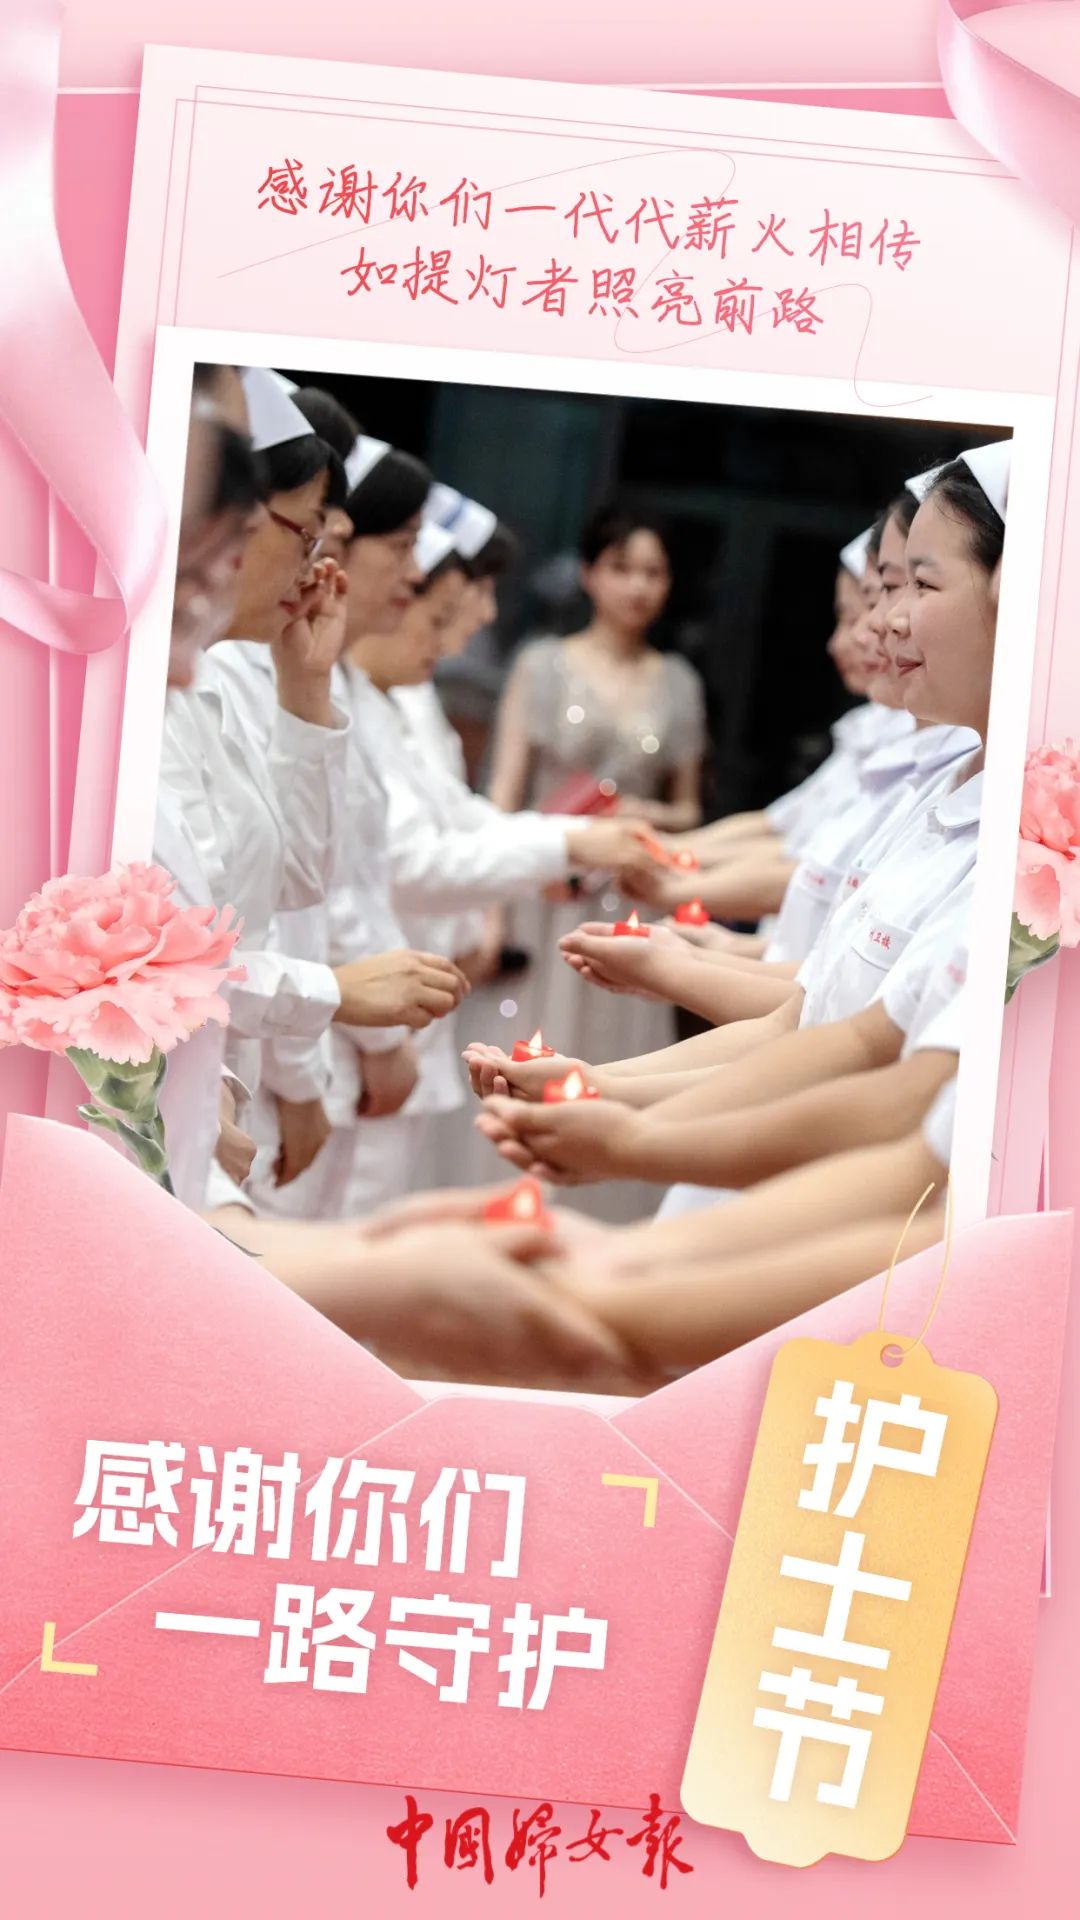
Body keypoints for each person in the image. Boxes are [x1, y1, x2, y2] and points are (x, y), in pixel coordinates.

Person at [465, 441, 1008, 1228]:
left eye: (911, 586)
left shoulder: (1032, 855)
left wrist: (634, 1126)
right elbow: (816, 1011)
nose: (877, 626)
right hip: (756, 1132)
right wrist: (612, 1088)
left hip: (822, 1197)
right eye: (877, 595)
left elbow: (870, 1065)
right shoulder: (937, 785)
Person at [481, 504, 706, 1220]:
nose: (638, 586)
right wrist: (490, 908)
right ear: (588, 574)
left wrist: (644, 814)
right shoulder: (542, 664)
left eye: (654, 572)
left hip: (628, 899)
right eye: (622, 568)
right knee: (526, 1044)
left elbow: (690, 810)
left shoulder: (678, 681)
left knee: (613, 1055)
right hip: (545, 890)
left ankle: (587, 1221)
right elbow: (504, 794)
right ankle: (506, 1208)